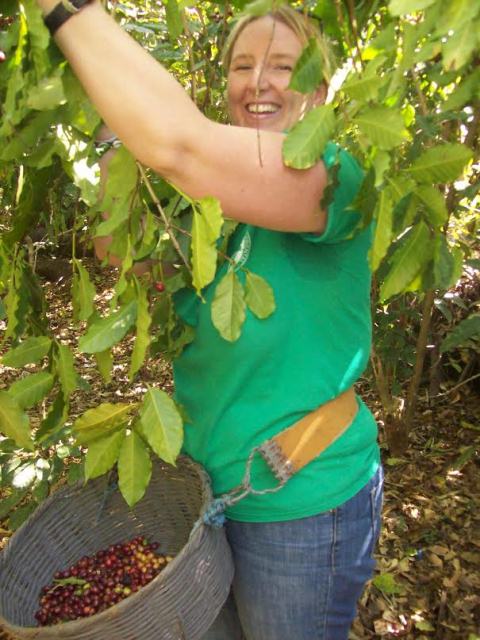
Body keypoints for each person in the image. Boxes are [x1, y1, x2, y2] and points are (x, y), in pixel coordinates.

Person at [36, 1, 383, 638]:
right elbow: (122, 256)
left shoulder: (340, 179)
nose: (258, 81)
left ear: (321, 89)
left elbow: (180, 143)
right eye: (242, 65)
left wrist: (65, 12)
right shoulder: (200, 206)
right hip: (201, 498)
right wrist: (115, 136)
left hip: (301, 502)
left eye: (284, 66)